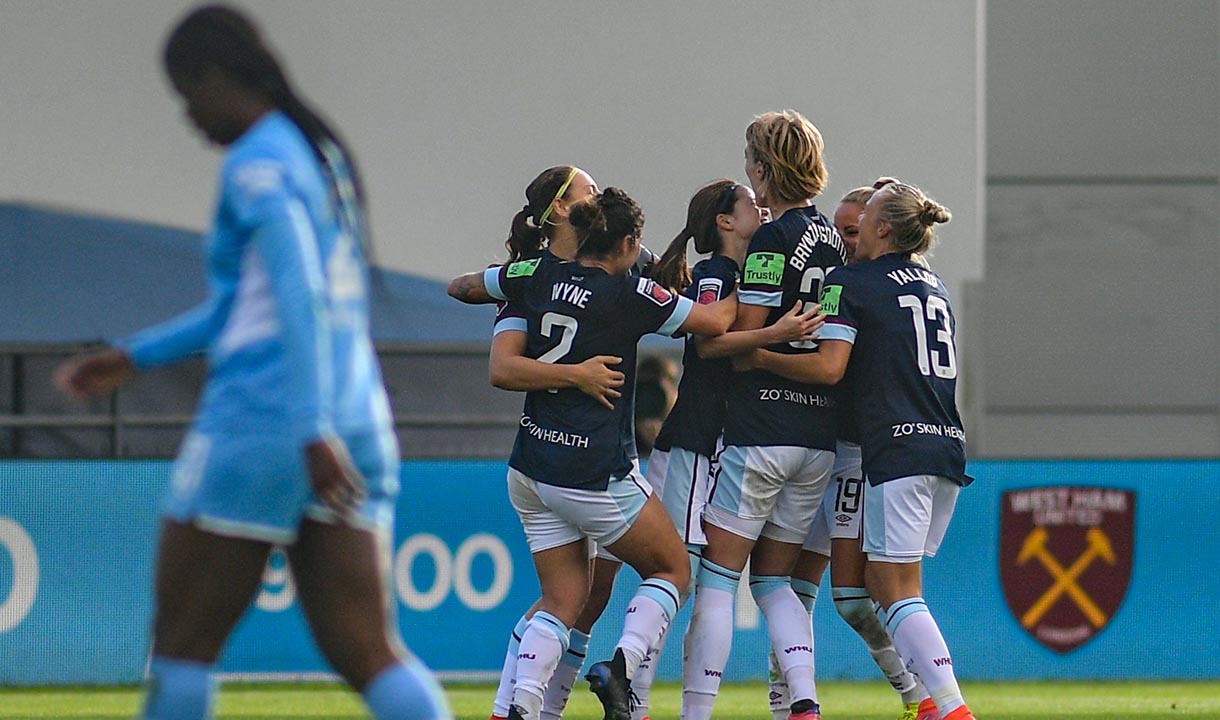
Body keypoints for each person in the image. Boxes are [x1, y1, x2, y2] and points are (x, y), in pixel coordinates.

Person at [53, 5, 451, 720]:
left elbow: (295, 292)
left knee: (180, 647)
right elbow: (251, 301)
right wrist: (135, 356)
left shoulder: (257, 163)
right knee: (371, 654)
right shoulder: (316, 156)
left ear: (215, 75)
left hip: (270, 425)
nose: (187, 116)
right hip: (357, 418)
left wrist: (307, 425)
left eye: (185, 93)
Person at [453, 187, 734, 720]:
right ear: (627, 242)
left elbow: (461, 287)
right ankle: (622, 669)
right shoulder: (627, 294)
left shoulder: (532, 276)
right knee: (672, 570)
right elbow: (715, 323)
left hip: (532, 464)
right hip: (591, 471)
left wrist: (499, 281)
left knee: (564, 600)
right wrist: (739, 275)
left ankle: (522, 705)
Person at [743, 181, 977, 720]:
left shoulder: (850, 282)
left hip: (892, 449)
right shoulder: (932, 284)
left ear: (882, 227)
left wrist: (759, 356)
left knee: (895, 591)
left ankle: (949, 706)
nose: (845, 236)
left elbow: (828, 367)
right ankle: (927, 703)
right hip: (944, 446)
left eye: (861, 221)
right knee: (877, 587)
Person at [628, 179, 822, 720]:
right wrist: (775, 331)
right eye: (749, 204)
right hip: (692, 440)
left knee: (686, 580)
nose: (761, 208)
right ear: (724, 222)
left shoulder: (744, 272)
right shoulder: (717, 272)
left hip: (714, 445)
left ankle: (636, 694)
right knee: (676, 577)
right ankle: (632, 692)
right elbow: (710, 344)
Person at [449, 166, 637, 720]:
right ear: (560, 211)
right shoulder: (530, 278)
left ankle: (531, 707)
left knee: (588, 597)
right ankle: (518, 703)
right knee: (582, 593)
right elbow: (502, 367)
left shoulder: (607, 260)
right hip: (568, 460)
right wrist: (576, 373)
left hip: (601, 448)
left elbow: (460, 287)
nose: (598, 196)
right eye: (587, 190)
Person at [681, 111, 845, 720]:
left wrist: (753, 348)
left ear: (763, 168)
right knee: (776, 582)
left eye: (751, 159)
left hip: (761, 429)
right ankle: (802, 700)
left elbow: (747, 340)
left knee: (719, 581)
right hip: (817, 433)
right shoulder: (831, 237)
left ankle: (696, 712)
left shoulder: (772, 241)